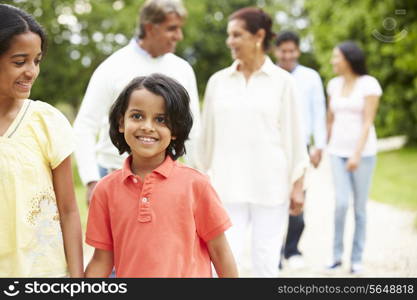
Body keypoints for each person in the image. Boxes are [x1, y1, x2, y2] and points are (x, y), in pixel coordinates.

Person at [84, 73, 237, 278]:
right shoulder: (105, 190)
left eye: (161, 119)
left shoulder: (196, 185)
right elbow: (102, 260)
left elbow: (220, 252)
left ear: (175, 130)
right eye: (137, 116)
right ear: (121, 123)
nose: (148, 126)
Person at [197, 8, 309, 277]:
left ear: (259, 36)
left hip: (271, 189)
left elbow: (296, 138)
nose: (230, 41)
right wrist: (200, 183)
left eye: (237, 35)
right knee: (223, 264)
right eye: (229, 35)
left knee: (266, 264)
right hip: (225, 189)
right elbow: (205, 140)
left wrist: (298, 185)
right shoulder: (218, 82)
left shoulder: (283, 83)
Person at [73, 0, 201, 205]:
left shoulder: (183, 69)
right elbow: (84, 126)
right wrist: (91, 180)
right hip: (114, 176)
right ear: (150, 27)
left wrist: (198, 176)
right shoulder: (112, 67)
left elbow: (194, 130)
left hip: (167, 181)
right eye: (172, 29)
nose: (179, 36)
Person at [0, 4, 83, 277]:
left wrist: (77, 279)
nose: (31, 71)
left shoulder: (46, 122)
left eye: (37, 60)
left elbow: (69, 210)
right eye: (19, 61)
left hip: (45, 276)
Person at [326, 41, 382, 274]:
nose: (333, 61)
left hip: (363, 154)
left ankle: (356, 258)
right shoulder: (333, 84)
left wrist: (357, 154)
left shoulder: (369, 84)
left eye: (336, 57)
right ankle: (336, 256)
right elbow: (330, 118)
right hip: (337, 152)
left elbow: (368, 121)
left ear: (348, 59)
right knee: (340, 204)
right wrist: (323, 145)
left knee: (359, 208)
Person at [273, 31, 327, 270]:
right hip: (273, 145)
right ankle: (273, 252)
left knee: (299, 195)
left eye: (291, 50)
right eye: (283, 51)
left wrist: (318, 145)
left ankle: (292, 249)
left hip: (301, 145)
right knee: (273, 197)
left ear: (298, 51)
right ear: (276, 51)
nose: (287, 55)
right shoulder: (269, 75)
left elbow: (319, 113)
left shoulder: (310, 77)